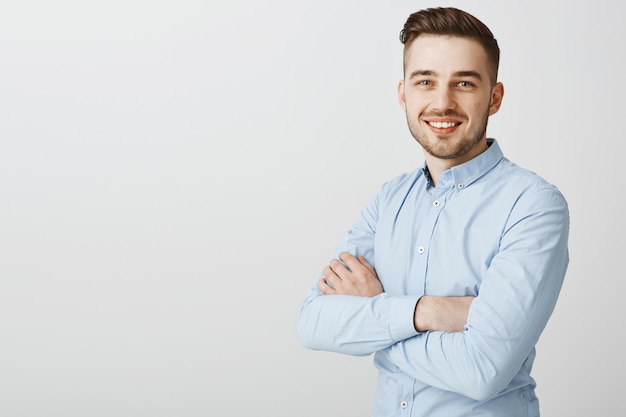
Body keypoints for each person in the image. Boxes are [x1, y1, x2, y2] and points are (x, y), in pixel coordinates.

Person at [296, 6, 569, 417]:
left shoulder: (533, 205)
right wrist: (429, 311)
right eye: (426, 81)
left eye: (464, 83)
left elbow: (482, 370)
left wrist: (378, 315)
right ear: (404, 93)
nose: (442, 103)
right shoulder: (389, 200)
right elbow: (313, 322)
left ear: (493, 98)